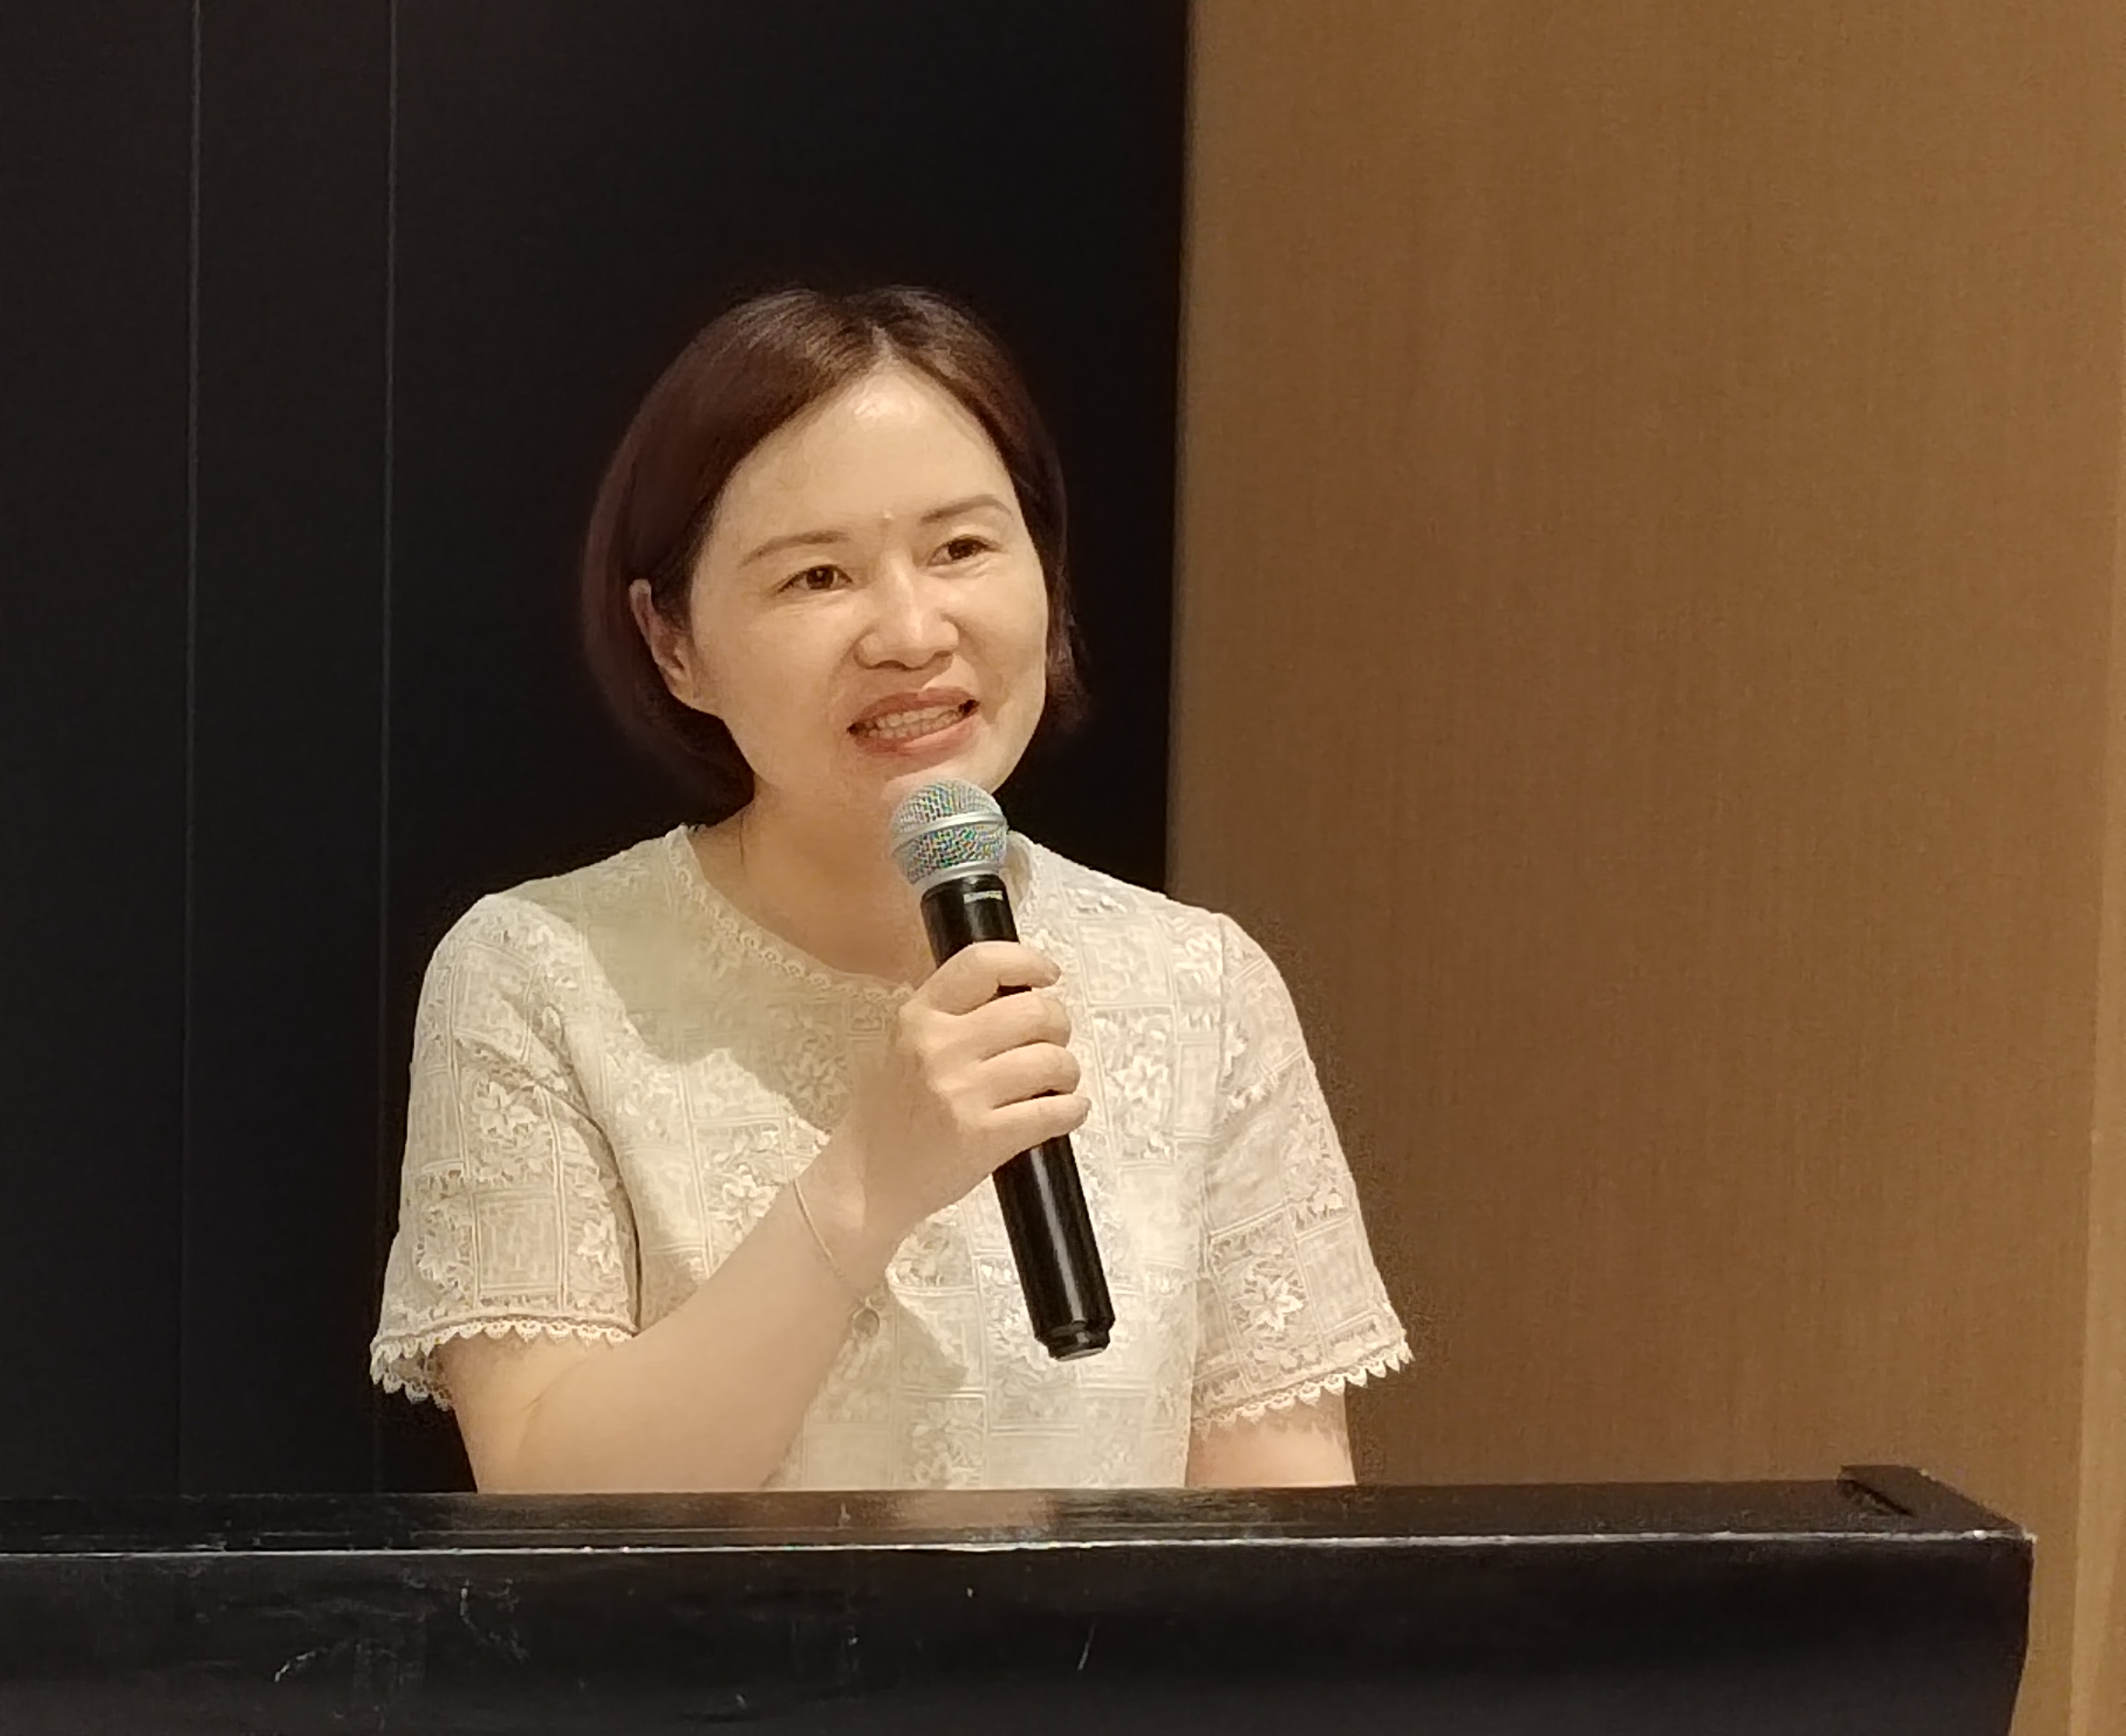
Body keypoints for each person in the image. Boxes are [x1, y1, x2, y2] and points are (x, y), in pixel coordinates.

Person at [366, 287, 1410, 1492]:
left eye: (962, 548)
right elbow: (551, 1500)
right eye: (818, 576)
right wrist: (869, 1181)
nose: (911, 633)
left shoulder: (1200, 984)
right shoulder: (542, 973)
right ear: (674, 643)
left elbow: (1278, 1535)